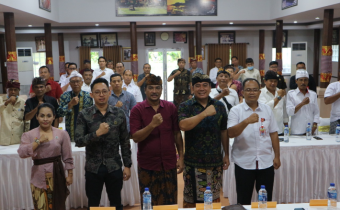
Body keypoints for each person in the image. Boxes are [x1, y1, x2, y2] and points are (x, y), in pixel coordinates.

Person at [74, 78, 131, 210]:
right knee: (93, 204)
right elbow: (78, 141)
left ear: (109, 92)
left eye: (104, 91)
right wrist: (97, 133)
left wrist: (127, 165)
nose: (101, 95)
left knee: (116, 203)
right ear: (91, 94)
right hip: (93, 167)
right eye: (97, 92)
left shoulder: (119, 113)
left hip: (114, 166)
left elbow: (125, 141)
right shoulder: (85, 114)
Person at [130, 74, 184, 207]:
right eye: (151, 88)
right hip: (147, 164)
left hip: (168, 163)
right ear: (145, 90)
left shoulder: (170, 108)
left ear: (161, 89)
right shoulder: (137, 110)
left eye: (157, 88)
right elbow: (136, 137)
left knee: (170, 201)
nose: (154, 91)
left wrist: (181, 157)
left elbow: (177, 134)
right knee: (149, 203)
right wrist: (152, 125)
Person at [178, 73, 229, 207]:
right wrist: (204, 113)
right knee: (191, 201)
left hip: (215, 162)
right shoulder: (186, 106)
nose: (202, 88)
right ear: (192, 87)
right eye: (198, 86)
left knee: (213, 201)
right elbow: (183, 125)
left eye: (205, 85)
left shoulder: (219, 106)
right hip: (192, 163)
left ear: (210, 87)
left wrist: (227, 155)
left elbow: (224, 131)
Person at [227, 78, 281, 205]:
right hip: (244, 162)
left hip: (266, 162)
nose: (252, 93)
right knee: (243, 200)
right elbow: (230, 133)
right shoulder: (236, 110)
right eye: (248, 90)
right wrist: (246, 121)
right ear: (242, 93)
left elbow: (273, 133)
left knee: (266, 201)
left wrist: (277, 156)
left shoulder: (267, 110)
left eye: (255, 90)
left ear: (259, 92)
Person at [18, 103, 74, 210]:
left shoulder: (62, 134)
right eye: (42, 116)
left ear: (54, 117)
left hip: (57, 174)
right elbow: (22, 153)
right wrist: (37, 142)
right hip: (38, 176)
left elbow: (68, 157)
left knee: (58, 205)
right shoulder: (29, 134)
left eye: (49, 116)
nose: (45, 119)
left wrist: (70, 174)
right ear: (37, 117)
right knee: (40, 206)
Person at [57, 72, 93, 141]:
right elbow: (60, 113)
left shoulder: (88, 96)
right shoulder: (64, 96)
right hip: (70, 130)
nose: (76, 84)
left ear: (82, 83)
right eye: (73, 82)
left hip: (85, 129)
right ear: (70, 84)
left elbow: (91, 114)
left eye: (78, 81)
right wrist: (70, 104)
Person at [286, 70, 320, 135]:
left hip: (311, 131)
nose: (303, 82)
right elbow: (290, 112)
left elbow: (316, 112)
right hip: (297, 131)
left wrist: (314, 126)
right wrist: (302, 103)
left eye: (305, 80)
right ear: (296, 81)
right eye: (301, 80)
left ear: (308, 81)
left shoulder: (313, 94)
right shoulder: (291, 94)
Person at [259, 70, 288, 135]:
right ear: (265, 81)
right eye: (271, 81)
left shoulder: (280, 92)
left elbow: (284, 110)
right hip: (266, 129)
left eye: (275, 81)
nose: (273, 83)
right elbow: (266, 108)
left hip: (279, 129)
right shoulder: (260, 93)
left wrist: (286, 125)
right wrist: (279, 97)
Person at [0, 80, 25, 145]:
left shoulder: (23, 102)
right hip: (3, 140)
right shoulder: (1, 100)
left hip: (18, 139)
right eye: (10, 89)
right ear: (6, 90)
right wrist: (6, 103)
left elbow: (26, 121)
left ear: (19, 91)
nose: (13, 92)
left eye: (15, 90)